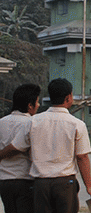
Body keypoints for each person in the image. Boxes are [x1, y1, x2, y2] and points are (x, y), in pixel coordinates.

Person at [29, 78, 91, 212]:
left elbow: (20, 147)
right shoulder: (77, 124)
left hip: (40, 183)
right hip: (65, 183)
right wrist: (89, 186)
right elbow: (82, 157)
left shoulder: (33, 122)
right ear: (68, 98)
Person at [0, 83, 41, 213]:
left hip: (4, 181)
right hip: (25, 180)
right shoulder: (32, 124)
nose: (39, 105)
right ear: (30, 105)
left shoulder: (2, 122)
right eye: (37, 101)